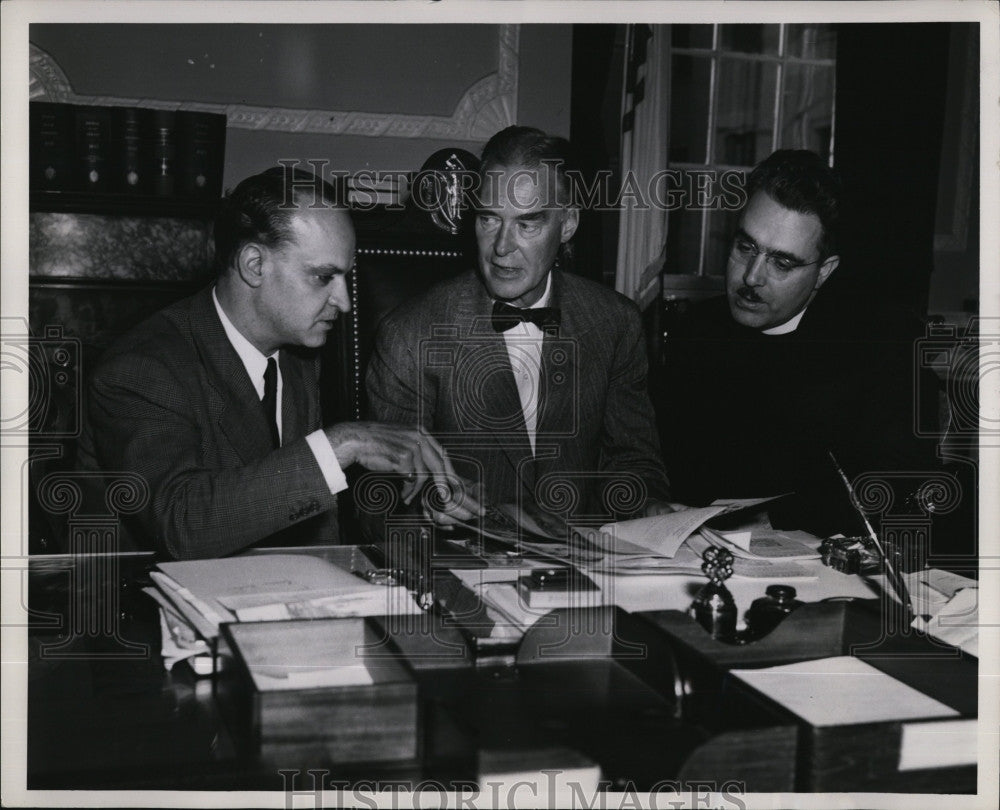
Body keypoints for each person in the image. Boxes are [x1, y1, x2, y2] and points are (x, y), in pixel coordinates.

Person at [77, 167, 475, 560]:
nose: (345, 302)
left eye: (345, 278)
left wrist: (420, 508)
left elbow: (312, 526)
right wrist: (343, 442)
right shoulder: (141, 369)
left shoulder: (299, 357)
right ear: (254, 265)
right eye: (323, 278)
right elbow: (183, 524)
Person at [366, 126, 674, 522]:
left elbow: (633, 462)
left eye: (527, 224)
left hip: (584, 563)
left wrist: (650, 507)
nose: (501, 247)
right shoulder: (408, 336)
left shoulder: (615, 323)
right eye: (489, 220)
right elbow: (382, 506)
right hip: (464, 565)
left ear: (567, 225)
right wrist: (430, 507)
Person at [659, 149, 940, 535]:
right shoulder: (697, 330)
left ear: (824, 272)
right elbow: (667, 464)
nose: (752, 277)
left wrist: (778, 520)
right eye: (745, 248)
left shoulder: (881, 346)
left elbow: (898, 486)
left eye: (782, 263)